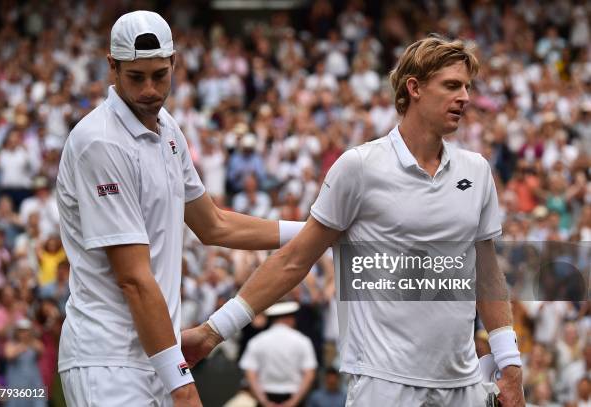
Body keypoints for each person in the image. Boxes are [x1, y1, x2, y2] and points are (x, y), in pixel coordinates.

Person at [184, 36, 526, 407]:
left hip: (465, 386)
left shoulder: (476, 170)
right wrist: (213, 331)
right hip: (383, 385)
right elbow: (295, 259)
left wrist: (510, 363)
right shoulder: (359, 167)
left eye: (467, 87)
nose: (465, 97)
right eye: (451, 85)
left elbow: (488, 273)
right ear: (414, 88)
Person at [56, 10, 303, 407]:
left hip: (156, 356)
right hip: (108, 364)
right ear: (112, 68)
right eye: (136, 77)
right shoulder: (99, 142)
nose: (150, 90)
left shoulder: (167, 127)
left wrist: (312, 231)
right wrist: (183, 386)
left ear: (175, 63)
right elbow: (134, 279)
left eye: (160, 75)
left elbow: (215, 224)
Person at [239, 301, 317, 407]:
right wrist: (293, 402)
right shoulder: (303, 341)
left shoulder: (257, 341)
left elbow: (250, 373)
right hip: (294, 399)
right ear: (289, 319)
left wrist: (264, 402)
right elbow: (309, 374)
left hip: (265, 398)